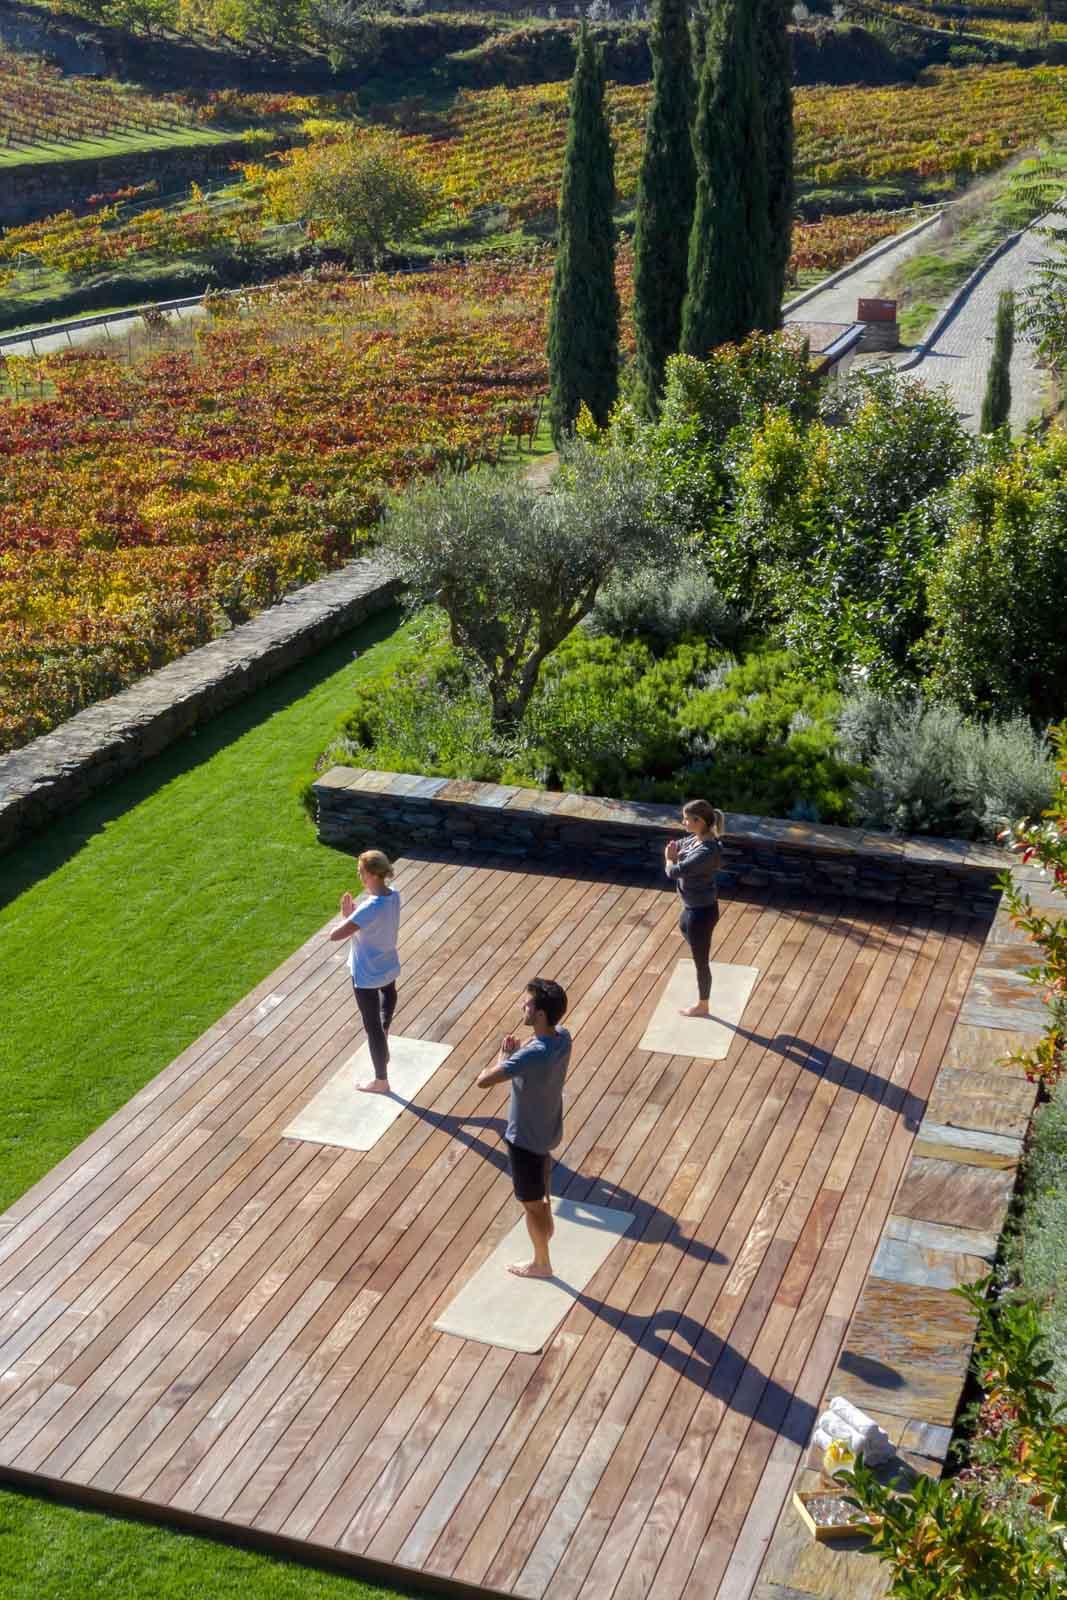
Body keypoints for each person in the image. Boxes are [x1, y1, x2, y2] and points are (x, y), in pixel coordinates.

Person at [477, 978, 571, 1280]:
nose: (523, 1006)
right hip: (547, 1131)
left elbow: (484, 1080)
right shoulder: (563, 1038)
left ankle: (541, 1263)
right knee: (540, 1197)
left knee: (531, 1206)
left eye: (528, 1003)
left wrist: (504, 1056)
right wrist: (524, 1050)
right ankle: (546, 1226)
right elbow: (537, 1048)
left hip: (525, 1141)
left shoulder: (531, 1055)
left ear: (541, 1014)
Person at [328, 849, 401, 1095]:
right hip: (388, 966)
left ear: (370, 874)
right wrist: (354, 917)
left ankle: (381, 1080)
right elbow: (371, 927)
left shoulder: (369, 908)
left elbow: (334, 935)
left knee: (372, 1028)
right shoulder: (394, 896)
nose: (359, 876)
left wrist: (347, 917)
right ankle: (385, 1035)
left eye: (360, 871)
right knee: (388, 997)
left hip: (367, 973)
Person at [664, 799, 724, 1018]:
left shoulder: (707, 851)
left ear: (699, 821)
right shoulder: (696, 838)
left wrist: (668, 860)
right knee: (683, 926)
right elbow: (680, 844)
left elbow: (674, 871)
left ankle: (703, 1006)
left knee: (701, 963)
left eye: (687, 819)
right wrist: (674, 850)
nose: (683, 822)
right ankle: (702, 951)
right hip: (692, 909)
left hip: (701, 912)